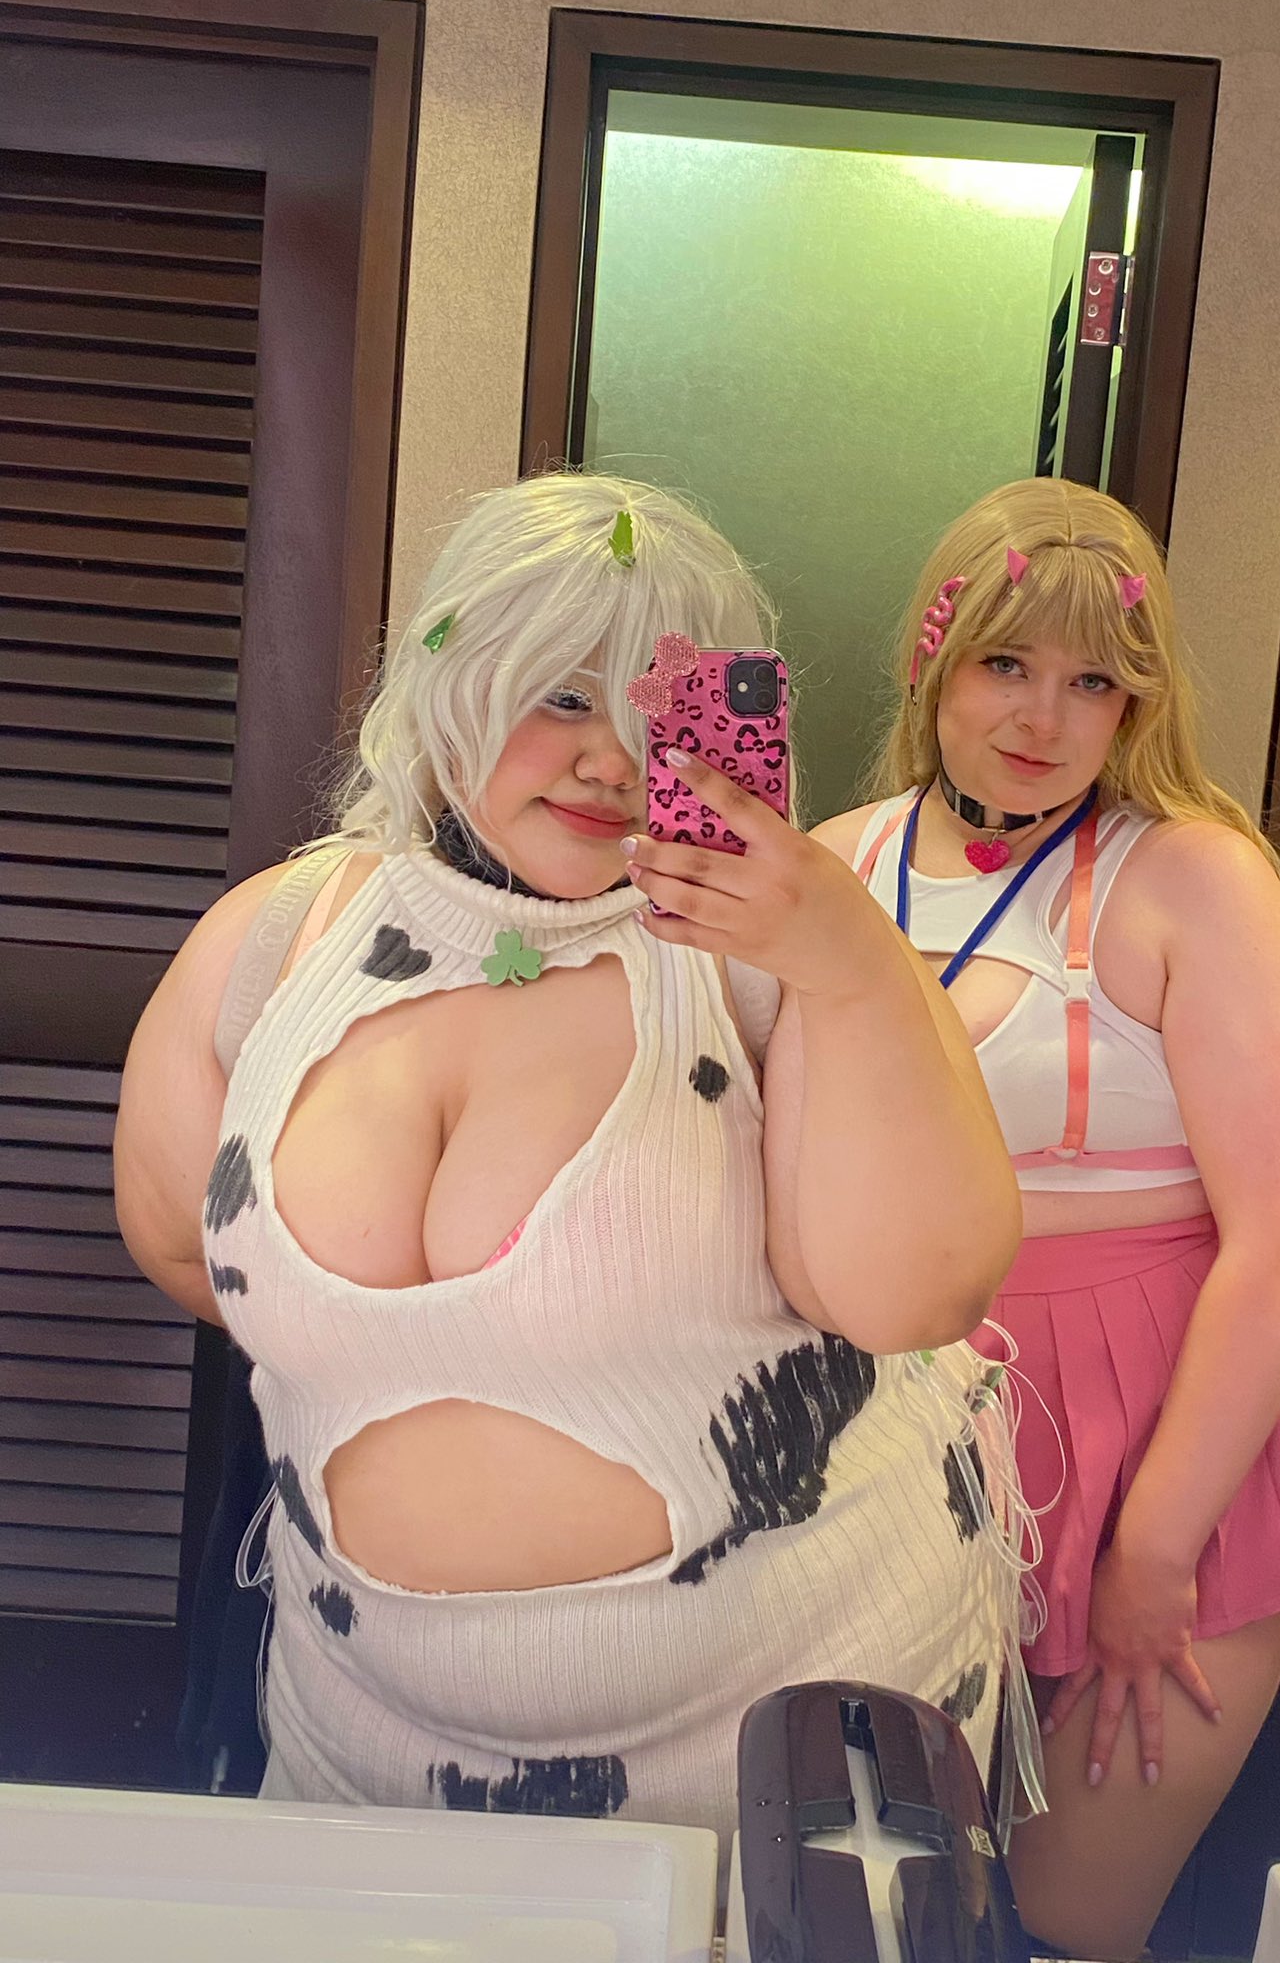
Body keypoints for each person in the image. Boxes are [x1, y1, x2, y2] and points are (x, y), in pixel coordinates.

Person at [114, 471, 1039, 1846]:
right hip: (365, 1738)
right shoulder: (278, 936)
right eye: (559, 696)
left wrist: (846, 962)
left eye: (658, 713)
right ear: (452, 679)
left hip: (785, 1738)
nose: (611, 758)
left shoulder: (779, 958)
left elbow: (914, 1295)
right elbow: (182, 1243)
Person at [818, 476, 1280, 1961]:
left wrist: (1154, 1553)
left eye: (1094, 682)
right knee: (873, 1903)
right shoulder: (835, 865)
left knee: (1066, 1918)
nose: (1045, 716)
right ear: (934, 658)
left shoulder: (1194, 878)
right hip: (894, 1431)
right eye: (1007, 664)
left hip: (1170, 1431)